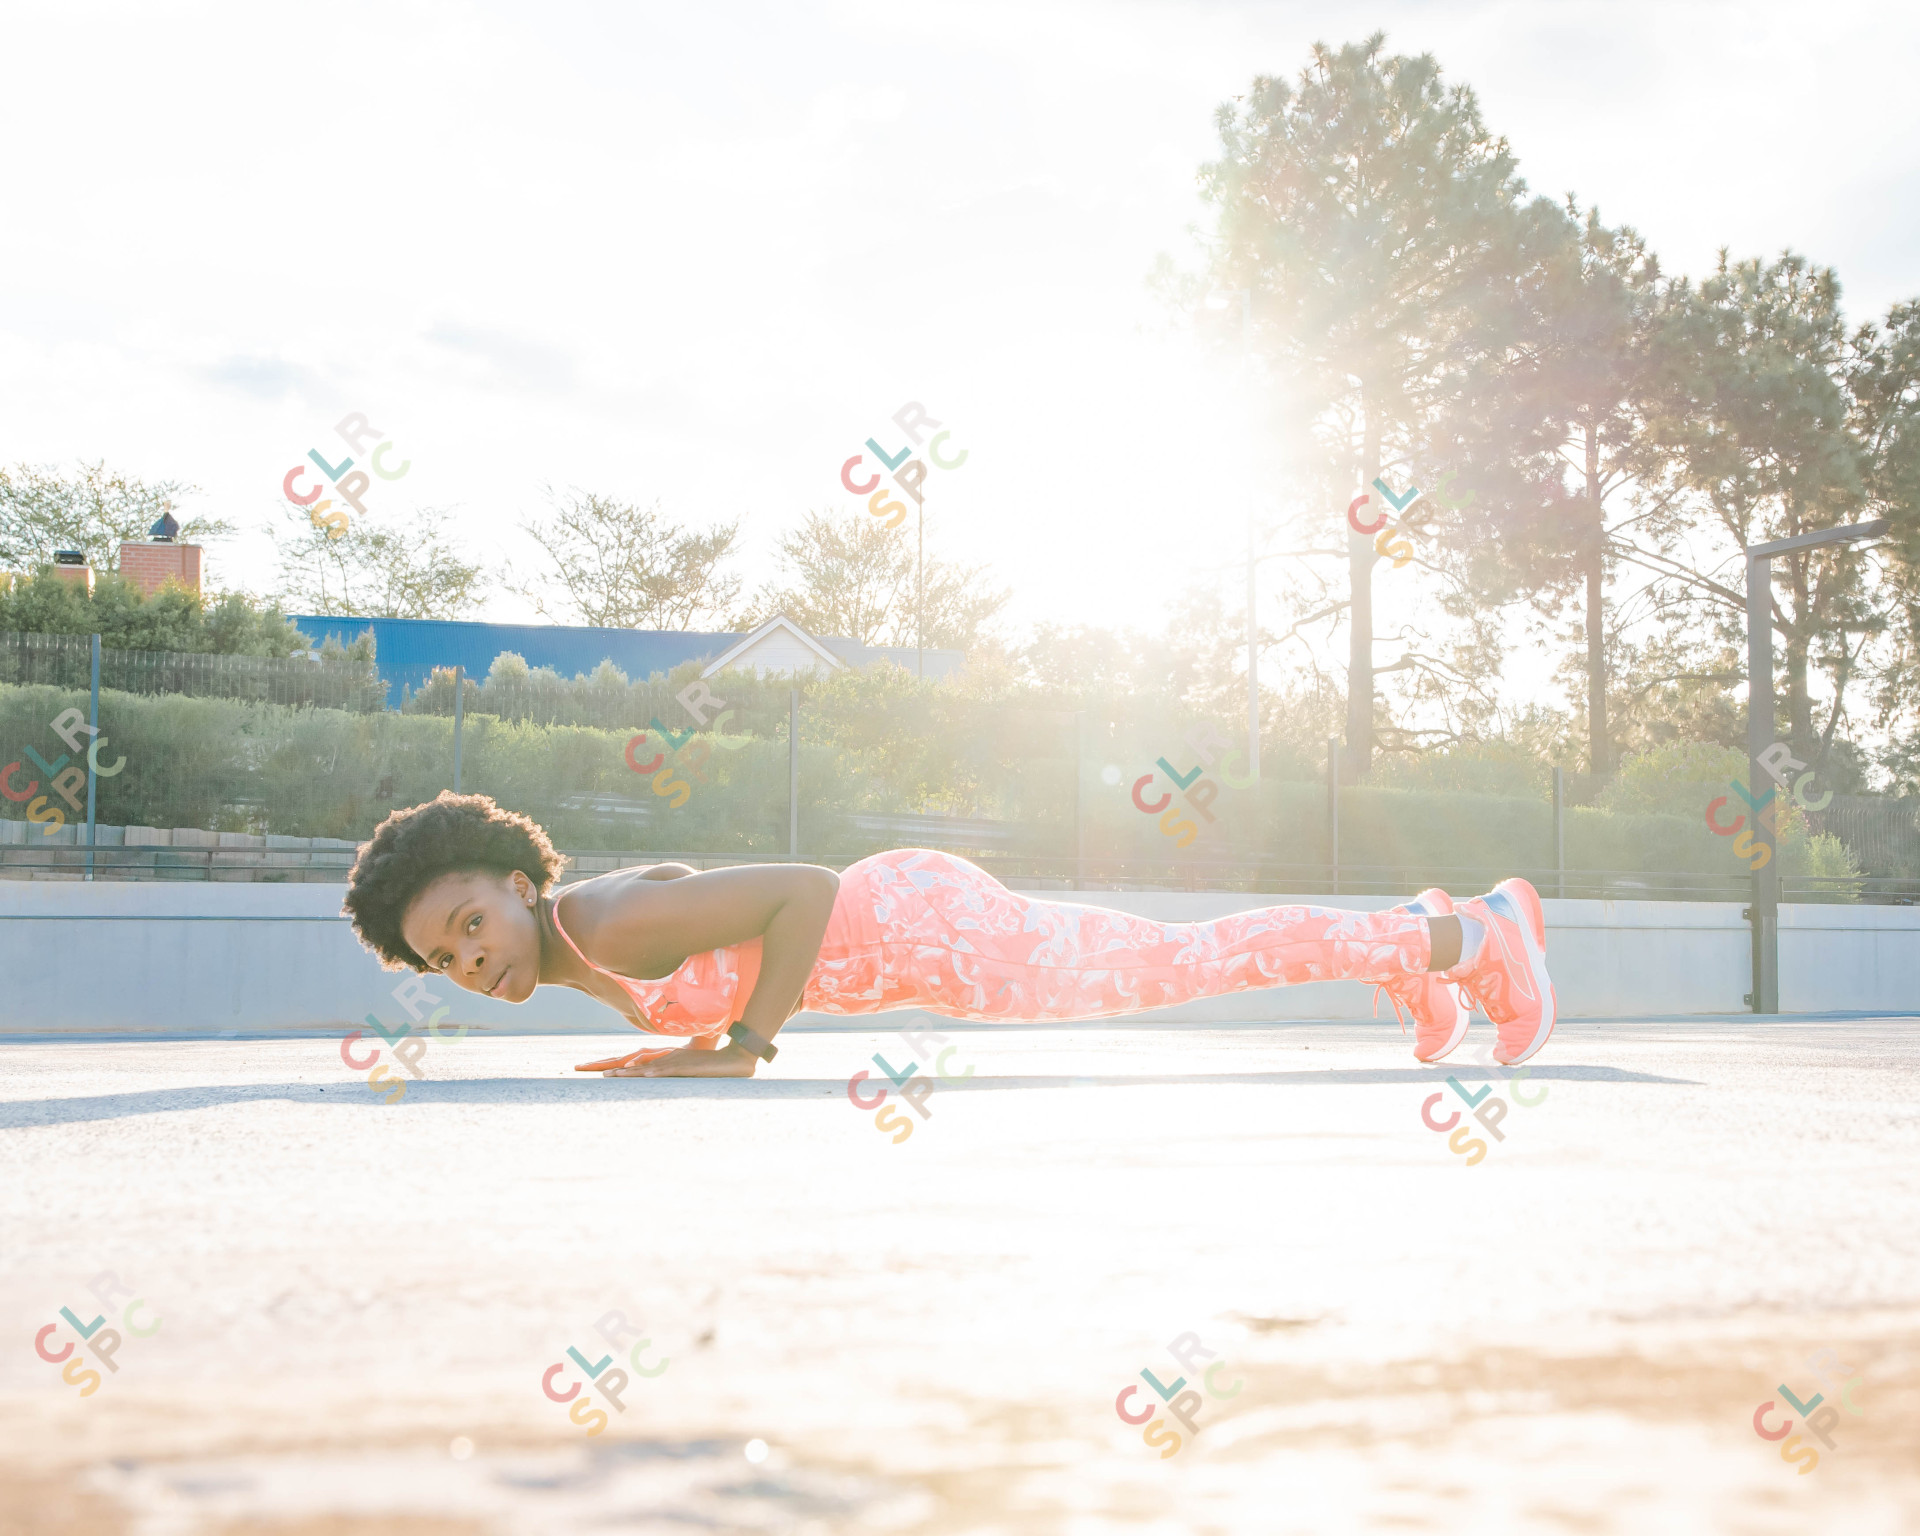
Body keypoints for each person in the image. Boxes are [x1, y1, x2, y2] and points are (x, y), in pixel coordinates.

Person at [342, 792, 1556, 1078]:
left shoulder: (601, 920)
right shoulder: (585, 946)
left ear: (515, 881)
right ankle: (1419, 944)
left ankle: (1476, 938)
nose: (468, 960)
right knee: (1182, 959)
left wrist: (743, 1045)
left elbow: (806, 891)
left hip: (929, 929)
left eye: (467, 924)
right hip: (926, 951)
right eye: (442, 960)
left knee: (1185, 960)